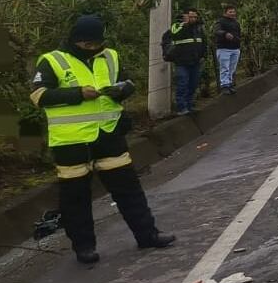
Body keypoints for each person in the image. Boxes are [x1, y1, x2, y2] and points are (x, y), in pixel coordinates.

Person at [31, 15, 175, 266]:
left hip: (108, 134)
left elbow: (128, 82)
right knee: (76, 200)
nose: (92, 48)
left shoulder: (110, 56)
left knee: (129, 191)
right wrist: (78, 93)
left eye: (96, 43)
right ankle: (84, 248)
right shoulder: (52, 60)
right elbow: (39, 96)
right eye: (87, 44)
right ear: (75, 40)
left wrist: (122, 90)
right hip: (71, 143)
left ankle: (148, 235)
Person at [161, 7, 206, 114]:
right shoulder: (177, 26)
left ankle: (190, 105)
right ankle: (181, 107)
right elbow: (175, 34)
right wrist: (185, 24)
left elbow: (203, 42)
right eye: (191, 16)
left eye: (195, 17)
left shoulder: (198, 28)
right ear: (185, 16)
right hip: (181, 62)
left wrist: (203, 55)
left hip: (195, 61)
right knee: (183, 83)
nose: (193, 19)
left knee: (193, 84)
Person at [214, 5, 242, 96]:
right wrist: (225, 34)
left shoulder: (236, 23)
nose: (232, 13)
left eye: (233, 12)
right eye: (230, 12)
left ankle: (229, 84)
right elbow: (217, 31)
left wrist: (238, 41)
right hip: (224, 48)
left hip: (235, 48)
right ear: (225, 13)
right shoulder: (220, 22)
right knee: (224, 67)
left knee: (232, 68)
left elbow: (239, 34)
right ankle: (224, 86)